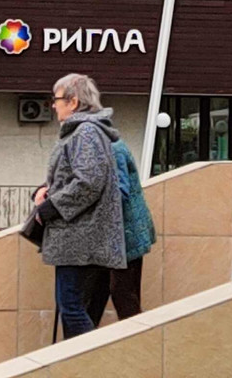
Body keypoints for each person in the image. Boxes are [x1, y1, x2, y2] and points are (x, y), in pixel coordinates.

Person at [30, 72, 125, 339]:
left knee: (71, 307)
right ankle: (83, 358)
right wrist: (46, 190)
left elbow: (89, 181)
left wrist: (52, 207)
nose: (53, 105)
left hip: (81, 240)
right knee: (74, 307)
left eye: (56, 99)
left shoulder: (86, 133)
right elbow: (79, 176)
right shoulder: (84, 132)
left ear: (73, 102)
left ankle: (93, 358)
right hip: (81, 239)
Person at [84, 134, 154, 327]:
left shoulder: (112, 149)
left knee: (123, 295)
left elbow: (119, 192)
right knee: (94, 297)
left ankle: (137, 340)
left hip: (124, 235)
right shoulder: (102, 147)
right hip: (111, 236)